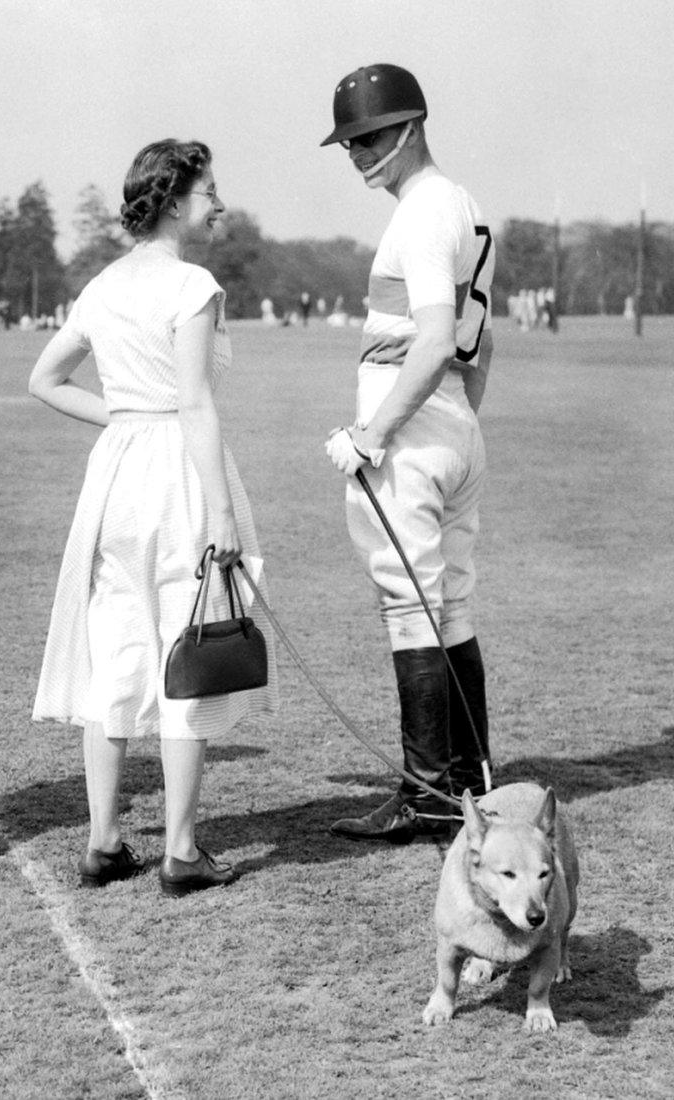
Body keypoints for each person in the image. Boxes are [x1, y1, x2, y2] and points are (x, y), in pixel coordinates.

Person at [29, 139, 278, 896]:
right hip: (175, 471)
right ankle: (178, 849)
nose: (219, 203)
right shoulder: (192, 283)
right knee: (188, 645)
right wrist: (224, 515)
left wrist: (123, 415)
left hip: (117, 475)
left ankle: (105, 842)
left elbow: (45, 379)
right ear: (173, 199)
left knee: (119, 652)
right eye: (209, 191)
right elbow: (196, 401)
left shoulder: (101, 285)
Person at [320, 64, 495, 842]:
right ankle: (471, 784)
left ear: (414, 125)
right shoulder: (466, 206)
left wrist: (377, 433)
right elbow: (475, 345)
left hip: (414, 425)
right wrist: (457, 424)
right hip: (455, 422)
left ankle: (427, 796)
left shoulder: (423, 211)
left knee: (410, 605)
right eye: (351, 141)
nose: (360, 152)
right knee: (449, 602)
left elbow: (430, 341)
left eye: (374, 135)